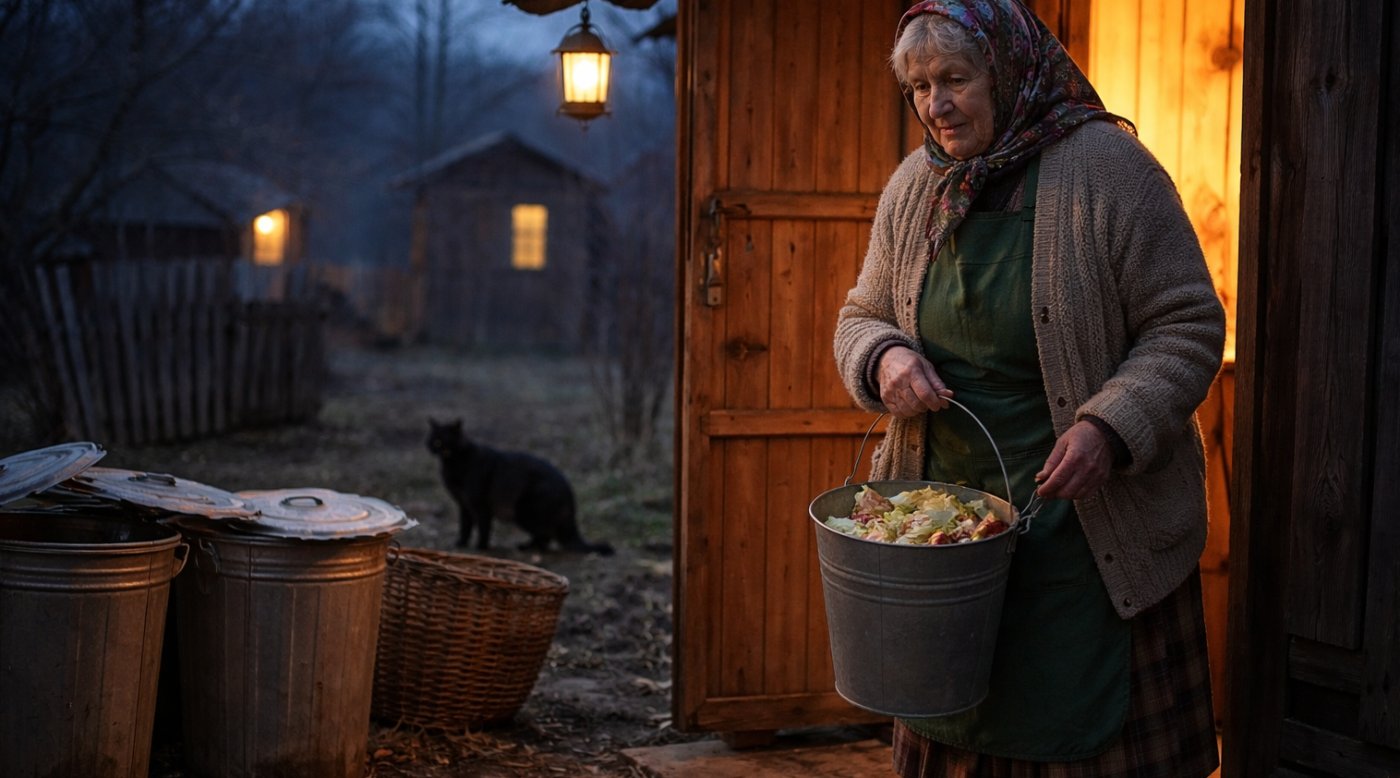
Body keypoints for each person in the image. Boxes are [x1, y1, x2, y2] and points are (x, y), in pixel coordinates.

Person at [832, 1, 1226, 775]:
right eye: (917, 86)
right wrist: (882, 358)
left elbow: (1187, 326)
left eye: (954, 79)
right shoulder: (917, 185)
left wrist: (1110, 427)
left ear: (1009, 70)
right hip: (949, 534)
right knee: (958, 717)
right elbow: (862, 313)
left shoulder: (1109, 171)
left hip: (1085, 532)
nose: (934, 105)